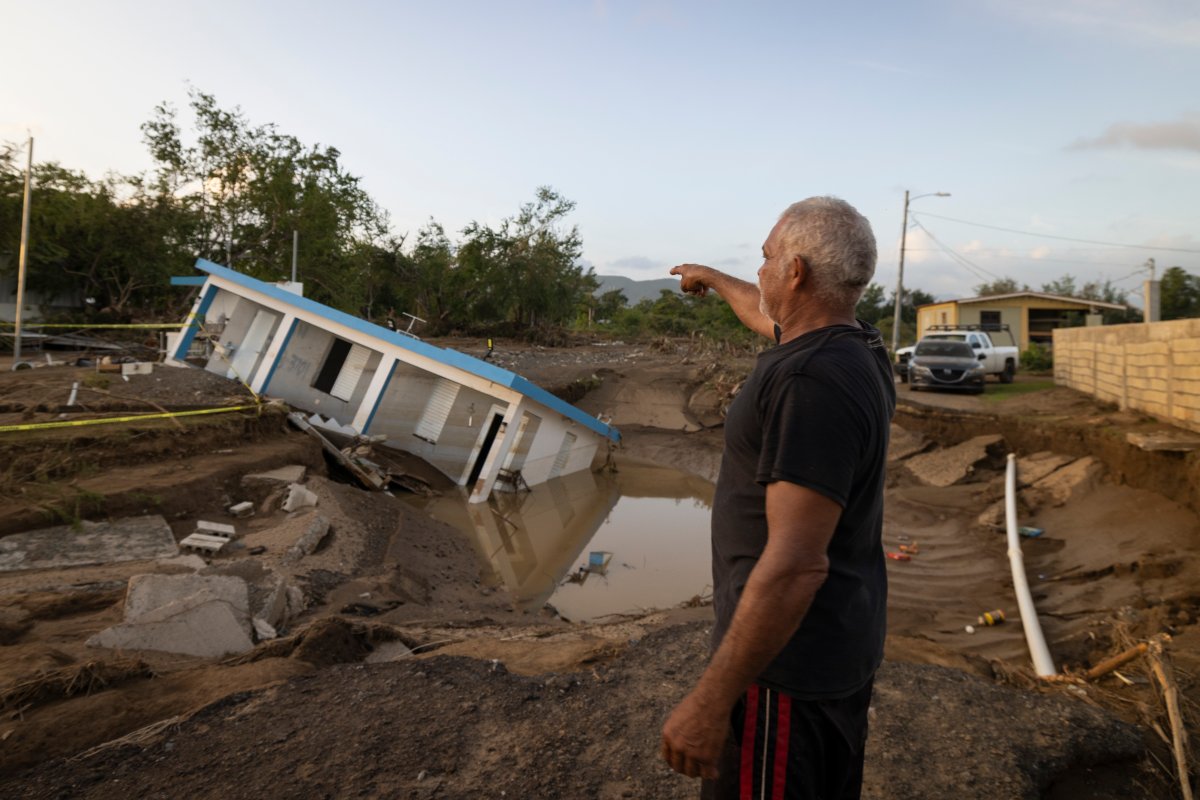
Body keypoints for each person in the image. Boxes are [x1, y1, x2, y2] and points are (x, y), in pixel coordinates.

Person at [660, 197, 895, 800]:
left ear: (795, 272)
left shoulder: (808, 381)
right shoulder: (856, 345)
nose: (758, 270)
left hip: (783, 679)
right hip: (835, 650)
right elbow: (767, 316)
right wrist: (712, 278)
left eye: (765, 258)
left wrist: (712, 702)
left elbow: (795, 566)